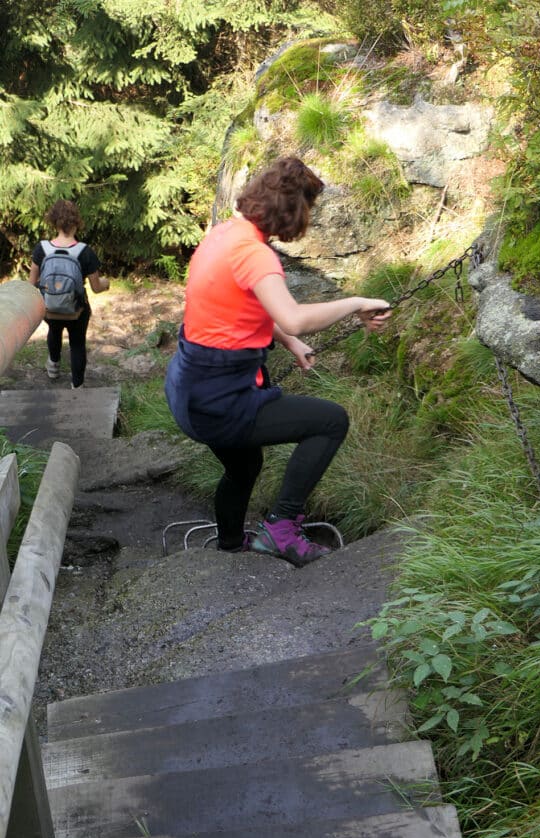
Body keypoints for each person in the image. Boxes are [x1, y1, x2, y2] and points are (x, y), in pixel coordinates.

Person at [165, 156, 391, 568]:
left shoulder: (224, 235)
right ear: (296, 210)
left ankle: (231, 546)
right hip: (219, 404)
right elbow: (293, 315)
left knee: (245, 463)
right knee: (330, 421)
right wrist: (356, 303)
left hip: (188, 390)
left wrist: (288, 342)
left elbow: (231, 310)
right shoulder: (256, 255)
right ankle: (279, 530)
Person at [28, 199, 110, 388]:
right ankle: (77, 385)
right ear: (76, 222)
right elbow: (96, 287)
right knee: (77, 344)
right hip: (77, 310)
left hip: (50, 307)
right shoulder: (84, 251)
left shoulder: (42, 249)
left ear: (53, 222)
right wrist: (106, 284)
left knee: (54, 331)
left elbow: (32, 283)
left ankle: (54, 366)